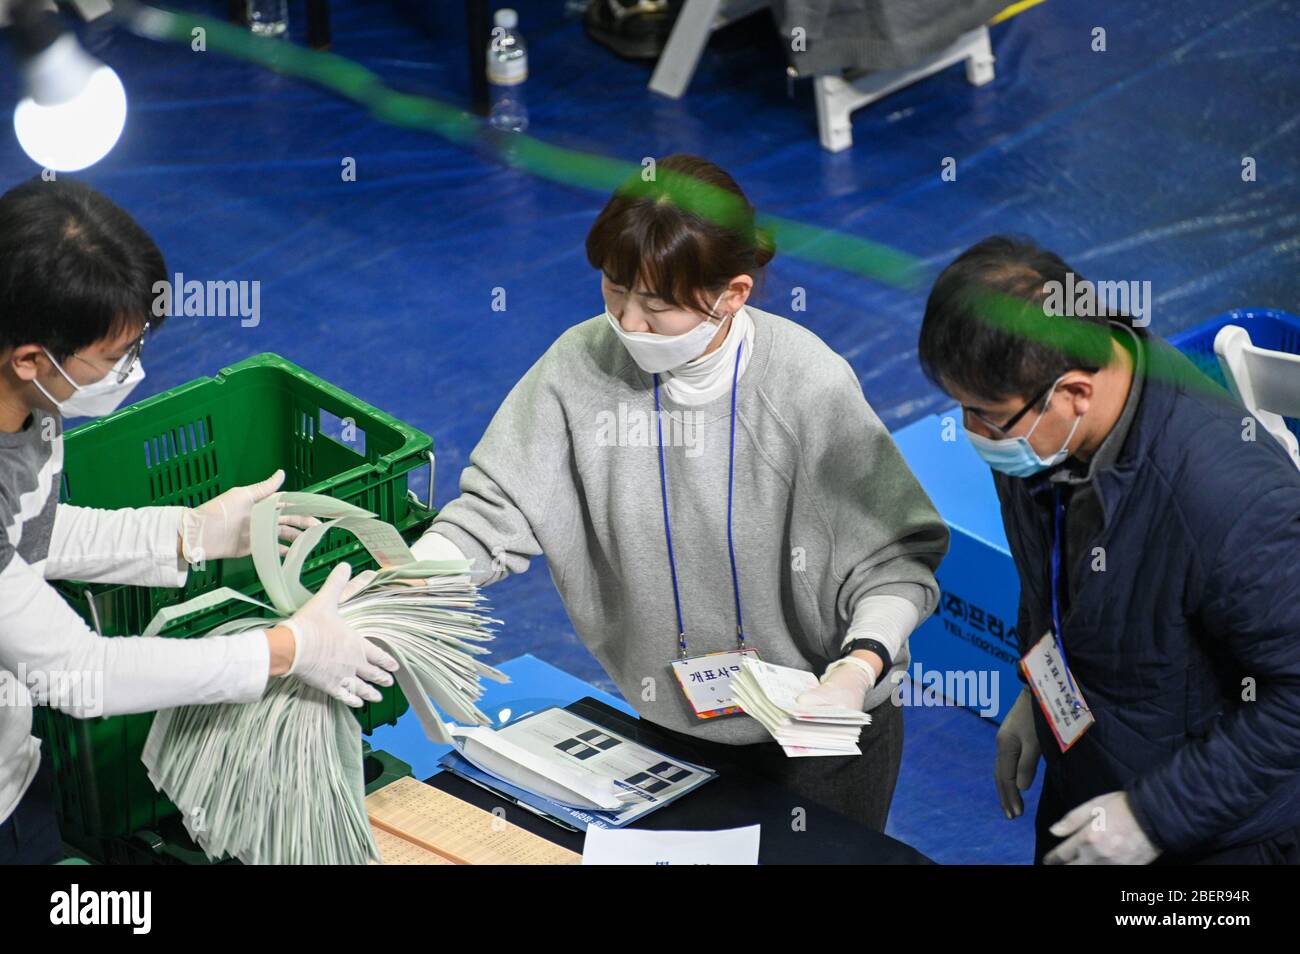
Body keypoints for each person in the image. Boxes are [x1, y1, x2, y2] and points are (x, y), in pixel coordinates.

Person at [407, 155, 949, 830]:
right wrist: (411, 580)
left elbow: (893, 561)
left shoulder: (806, 386)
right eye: (614, 291)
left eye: (657, 307)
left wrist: (858, 668)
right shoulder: (579, 367)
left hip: (821, 734)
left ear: (733, 294)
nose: (629, 324)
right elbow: (496, 512)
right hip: (672, 720)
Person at [0, 177, 399, 864]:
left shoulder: (30, 407)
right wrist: (285, 652)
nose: (131, 372)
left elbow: (27, 540)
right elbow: (81, 673)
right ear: (32, 358)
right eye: (114, 357)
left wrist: (186, 533)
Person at [917, 235, 1300, 864]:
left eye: (985, 416)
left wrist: (1154, 817)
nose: (972, 433)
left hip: (1214, 836)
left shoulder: (1230, 498)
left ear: (1074, 393)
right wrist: (1035, 692)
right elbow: (1057, 576)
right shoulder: (1034, 423)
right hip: (1092, 782)